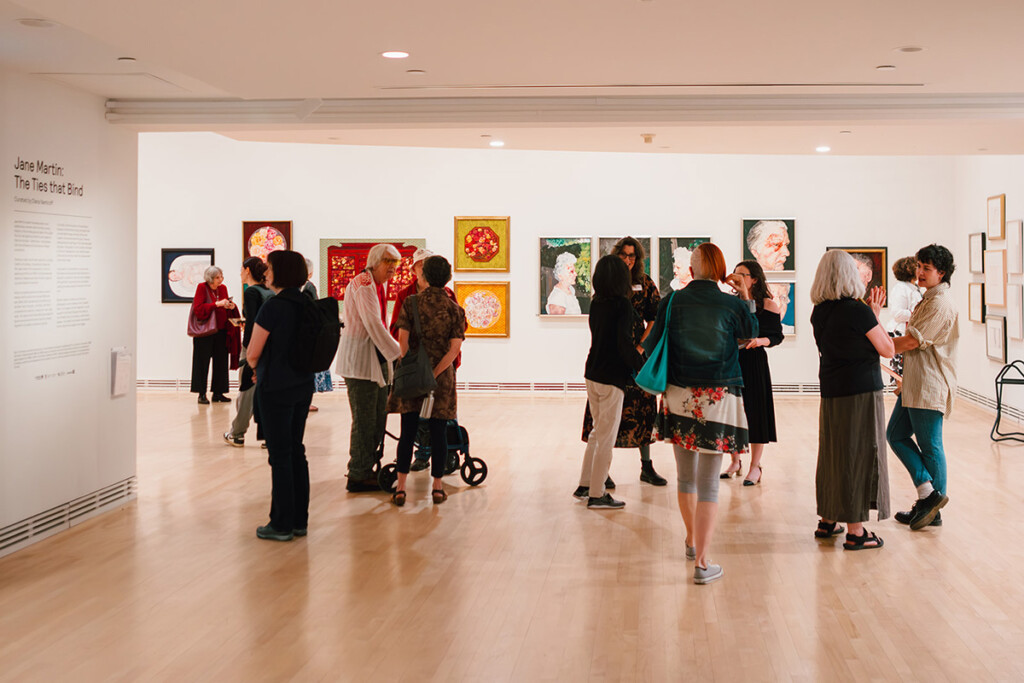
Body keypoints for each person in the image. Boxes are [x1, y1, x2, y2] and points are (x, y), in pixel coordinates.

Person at [644, 243, 758, 584]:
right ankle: (703, 563)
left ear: (691, 271)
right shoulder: (731, 303)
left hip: (679, 395)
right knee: (709, 483)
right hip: (719, 396)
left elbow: (652, 345)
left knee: (685, 478)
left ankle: (692, 541)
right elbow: (750, 334)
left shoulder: (672, 301)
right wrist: (746, 293)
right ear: (722, 271)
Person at [810, 250, 894, 551]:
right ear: (848, 275)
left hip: (831, 391)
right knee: (858, 454)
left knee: (834, 452)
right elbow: (887, 349)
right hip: (860, 392)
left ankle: (828, 518)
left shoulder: (819, 311)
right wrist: (874, 316)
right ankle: (856, 531)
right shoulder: (857, 311)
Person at [582, 237, 666, 487]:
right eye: (625, 255)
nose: (629, 260)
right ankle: (599, 477)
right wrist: (636, 359)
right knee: (604, 425)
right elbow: (615, 337)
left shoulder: (644, 284)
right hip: (617, 362)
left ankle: (645, 466)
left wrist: (641, 349)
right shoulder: (610, 295)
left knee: (641, 411)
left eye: (633, 256)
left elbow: (654, 317)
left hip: (628, 356)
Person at [245, 250, 316, 541]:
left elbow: (252, 353)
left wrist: (254, 366)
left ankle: (281, 523)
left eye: (270, 268)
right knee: (296, 450)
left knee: (280, 454)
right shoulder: (308, 304)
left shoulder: (273, 307)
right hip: (302, 385)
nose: (266, 273)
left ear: (281, 273)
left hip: (275, 387)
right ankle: (299, 519)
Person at [886, 245, 958, 530]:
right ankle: (929, 496)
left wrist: (876, 344)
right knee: (895, 434)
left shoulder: (940, 303)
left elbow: (913, 341)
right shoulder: (928, 298)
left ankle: (933, 510)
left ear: (941, 273)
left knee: (931, 446)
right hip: (914, 382)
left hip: (929, 383)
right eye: (918, 266)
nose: (920, 272)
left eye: (926, 268)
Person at [388, 256, 466, 506]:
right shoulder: (455, 309)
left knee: (408, 432)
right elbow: (454, 350)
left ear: (424, 276)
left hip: (413, 375)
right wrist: (434, 374)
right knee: (438, 432)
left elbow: (403, 341)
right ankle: (437, 487)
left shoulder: (411, 303)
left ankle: (401, 488)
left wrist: (416, 367)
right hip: (442, 379)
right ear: (448, 278)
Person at [573, 255, 644, 509]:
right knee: (606, 437)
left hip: (592, 372)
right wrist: (642, 368)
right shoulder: (622, 306)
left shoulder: (597, 302)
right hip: (612, 376)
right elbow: (624, 345)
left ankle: (585, 484)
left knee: (597, 432)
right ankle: (597, 492)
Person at [337, 243, 403, 492]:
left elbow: (379, 325)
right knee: (366, 419)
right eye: (389, 263)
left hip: (373, 360)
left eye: (396, 265)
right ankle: (358, 473)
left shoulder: (375, 285)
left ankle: (367, 467)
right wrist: (399, 354)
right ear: (374, 262)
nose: (393, 269)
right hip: (361, 362)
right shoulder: (364, 284)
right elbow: (374, 324)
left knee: (378, 417)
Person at [721, 260, 783, 485]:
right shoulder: (730, 302)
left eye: (742, 275)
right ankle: (735, 460)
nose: (737, 278)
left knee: (756, 412)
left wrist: (759, 341)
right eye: (735, 275)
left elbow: (776, 336)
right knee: (731, 410)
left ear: (754, 278)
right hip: (732, 360)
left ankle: (755, 466)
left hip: (754, 360)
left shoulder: (768, 304)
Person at [223, 257, 273, 447]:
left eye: (241, 270)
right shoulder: (269, 291)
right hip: (270, 346)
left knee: (246, 391)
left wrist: (250, 349)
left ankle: (237, 433)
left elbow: (253, 324)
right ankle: (269, 436)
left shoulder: (252, 292)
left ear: (248, 270)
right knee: (266, 391)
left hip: (253, 346)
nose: (240, 274)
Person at [190, 265, 238, 404]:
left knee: (221, 362)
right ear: (210, 278)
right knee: (201, 363)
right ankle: (201, 393)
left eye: (221, 276)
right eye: (218, 277)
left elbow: (223, 305)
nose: (221, 279)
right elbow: (198, 309)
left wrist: (230, 305)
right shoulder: (202, 288)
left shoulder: (222, 288)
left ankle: (218, 393)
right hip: (204, 333)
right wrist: (216, 304)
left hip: (221, 330)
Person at [301, 257, 332, 413]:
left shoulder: (295, 287)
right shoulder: (309, 287)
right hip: (310, 334)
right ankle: (306, 402)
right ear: (310, 273)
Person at [886, 256, 923, 379]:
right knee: (902, 375)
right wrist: (918, 315)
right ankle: (902, 397)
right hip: (900, 333)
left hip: (909, 333)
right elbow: (897, 313)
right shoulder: (901, 289)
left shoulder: (913, 287)